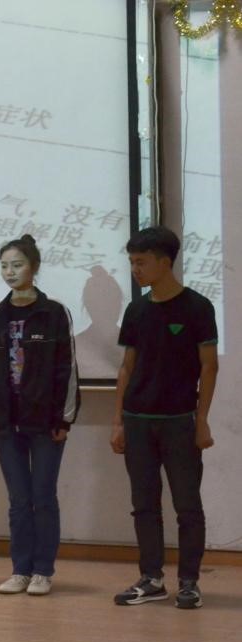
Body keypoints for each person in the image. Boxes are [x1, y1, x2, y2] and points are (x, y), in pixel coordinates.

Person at [111, 226, 218, 609]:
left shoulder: (198, 307)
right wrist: (118, 421)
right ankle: (151, 579)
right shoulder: (136, 310)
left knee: (187, 505)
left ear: (164, 262)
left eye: (141, 262)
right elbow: (127, 367)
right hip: (137, 420)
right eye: (132, 262)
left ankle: (189, 582)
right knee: (144, 504)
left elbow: (209, 367)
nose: (135, 269)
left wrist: (201, 419)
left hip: (179, 421)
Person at [0, 235, 80, 596]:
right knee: (18, 501)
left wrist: (63, 419)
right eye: (4, 266)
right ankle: (20, 570)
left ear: (34, 267)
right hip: (5, 421)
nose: (10, 272)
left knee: (42, 497)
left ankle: (43, 571)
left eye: (17, 265)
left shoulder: (54, 312)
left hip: (45, 423)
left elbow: (67, 370)